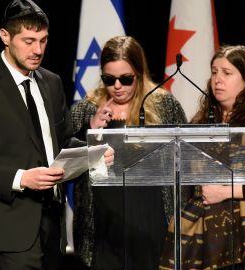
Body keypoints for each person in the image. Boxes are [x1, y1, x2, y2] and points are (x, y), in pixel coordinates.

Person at [0, 0, 107, 269]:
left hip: (53, 226)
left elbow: (64, 141)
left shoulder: (52, 82)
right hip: (7, 228)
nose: (38, 50)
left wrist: (94, 153)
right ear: (5, 37)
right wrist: (21, 178)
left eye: (44, 41)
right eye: (29, 40)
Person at [160, 45, 245, 270]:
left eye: (227, 73)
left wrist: (225, 192)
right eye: (214, 72)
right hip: (205, 240)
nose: (217, 79)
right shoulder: (199, 125)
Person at [71, 36, 187, 269]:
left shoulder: (164, 105)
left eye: (125, 79)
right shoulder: (86, 108)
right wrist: (90, 130)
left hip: (151, 219)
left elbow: (183, 159)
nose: (117, 86)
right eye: (109, 79)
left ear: (139, 72)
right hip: (103, 224)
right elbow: (67, 161)